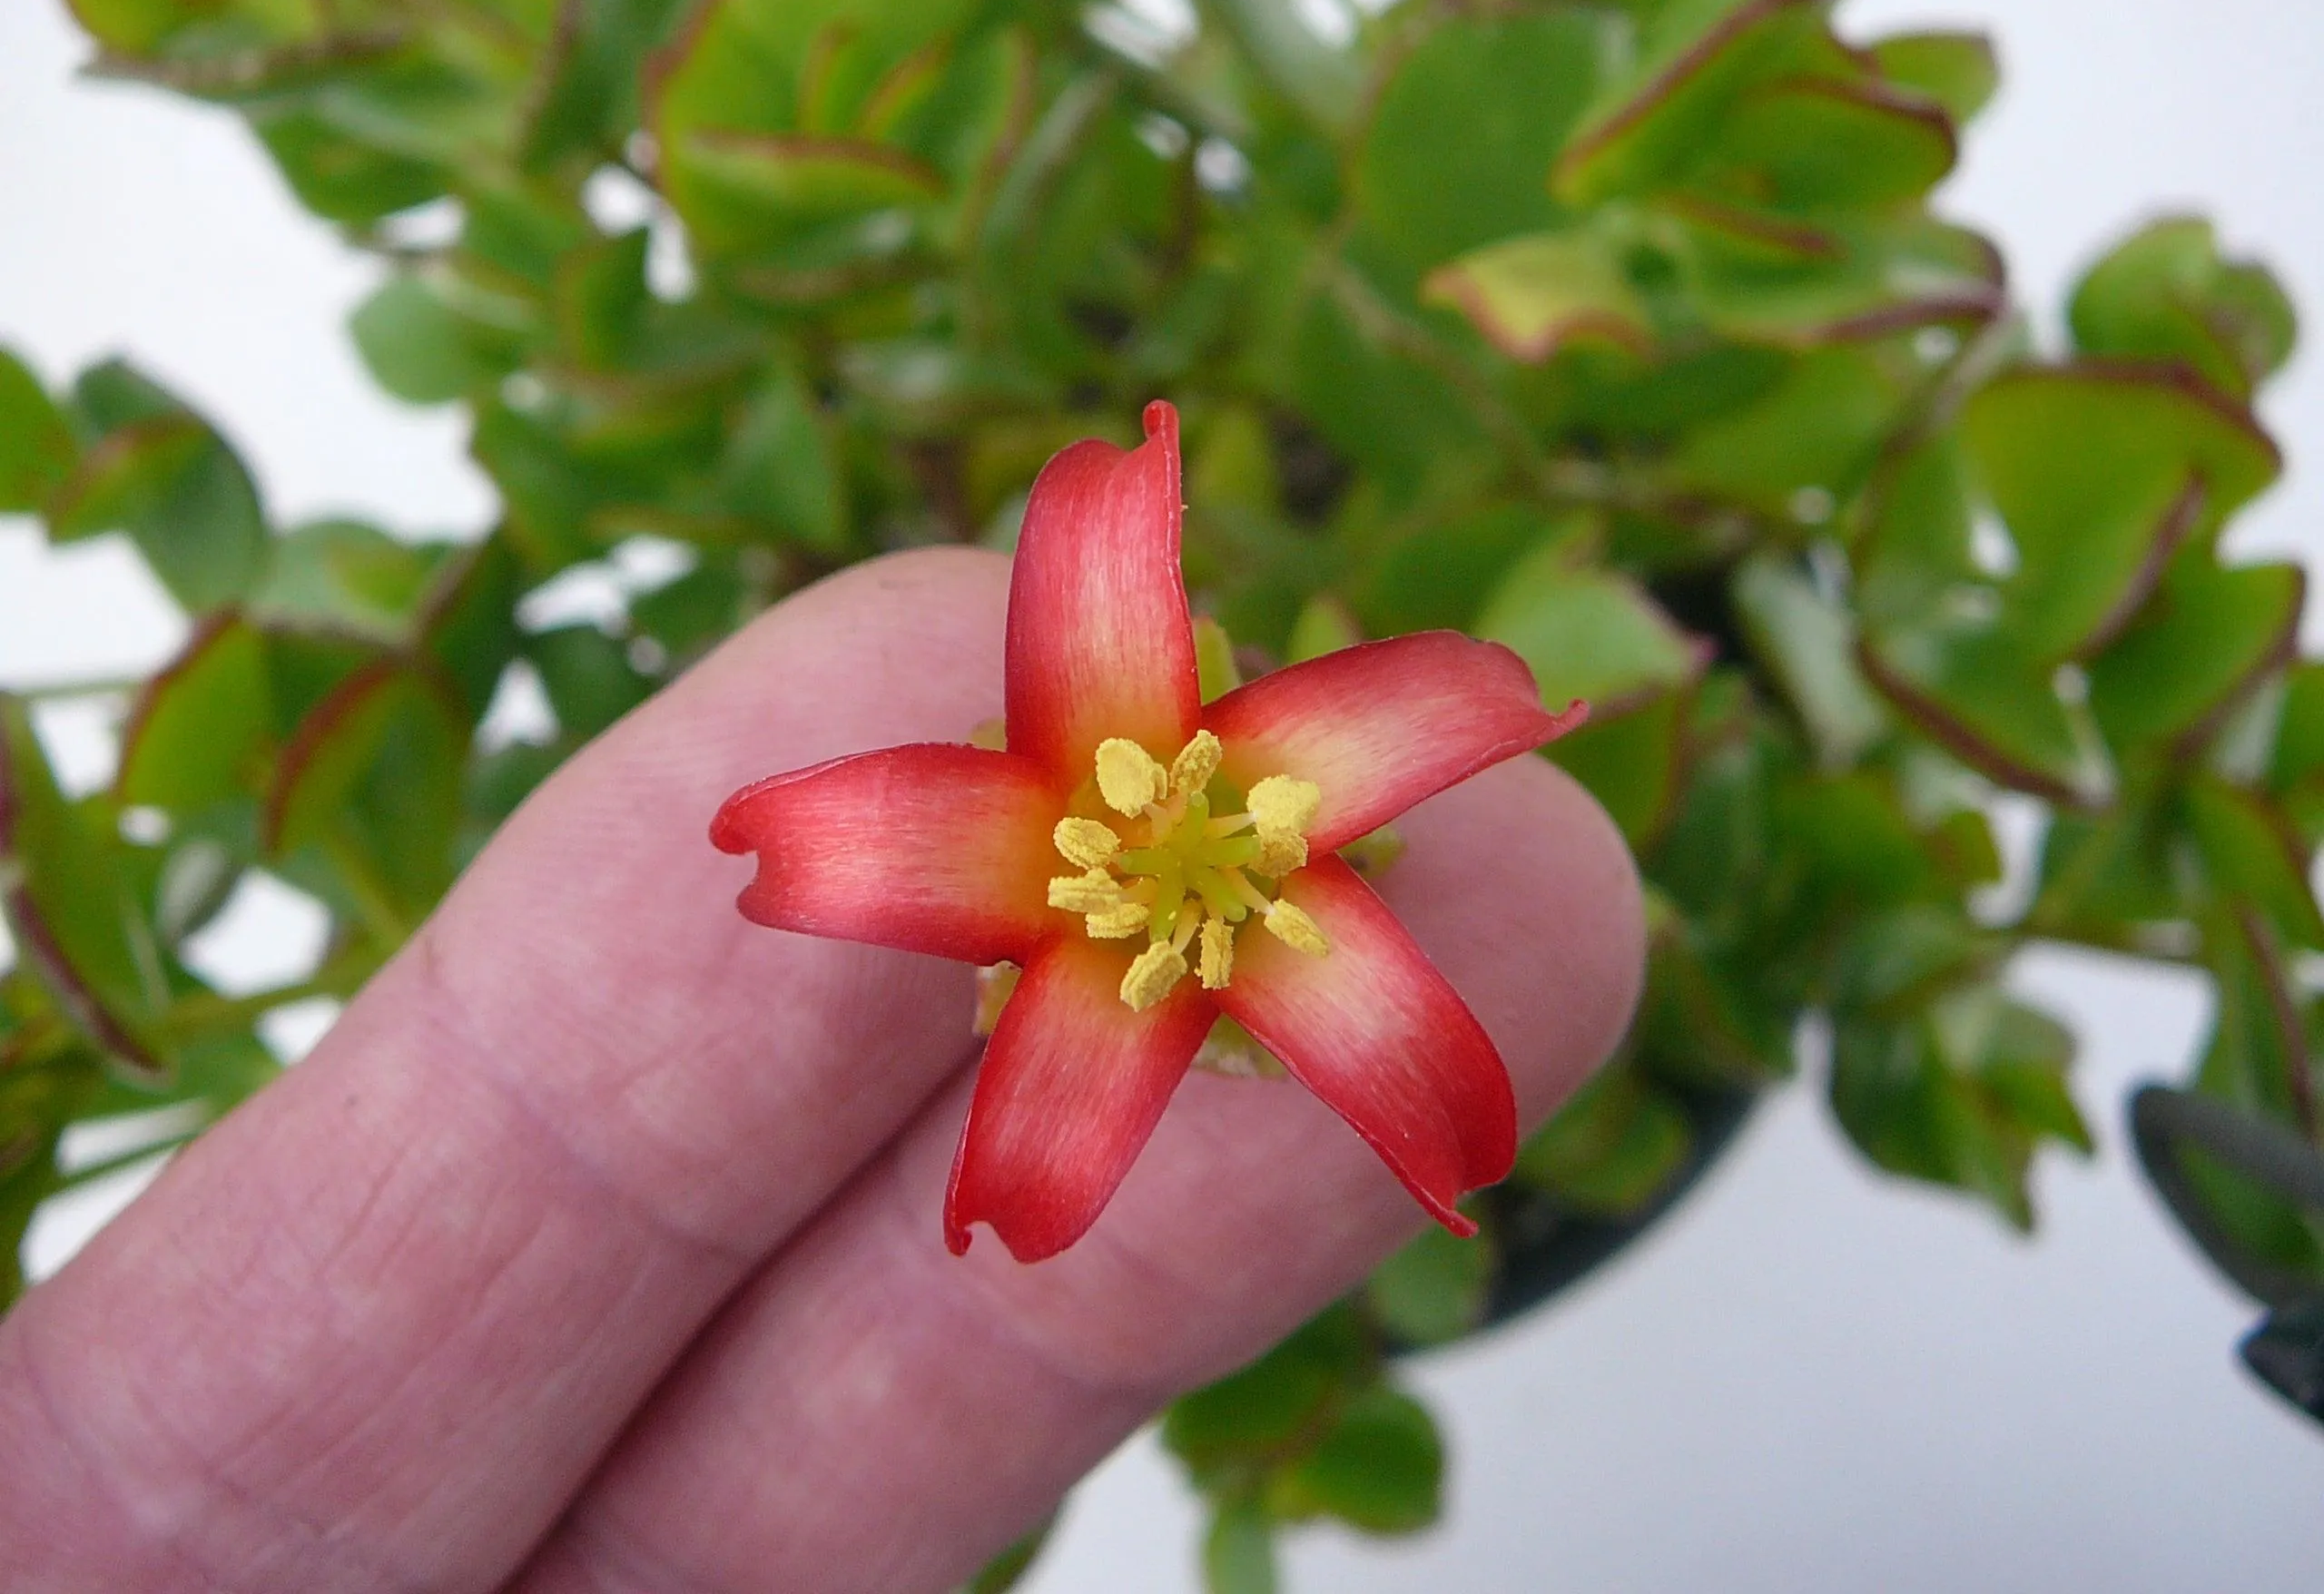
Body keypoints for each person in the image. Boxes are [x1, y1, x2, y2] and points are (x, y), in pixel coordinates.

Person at [0, 547, 1641, 1591]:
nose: (1179, 860)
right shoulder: (1082, 904)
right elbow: (1023, 1137)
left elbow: (1136, 545)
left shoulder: (1221, 827)